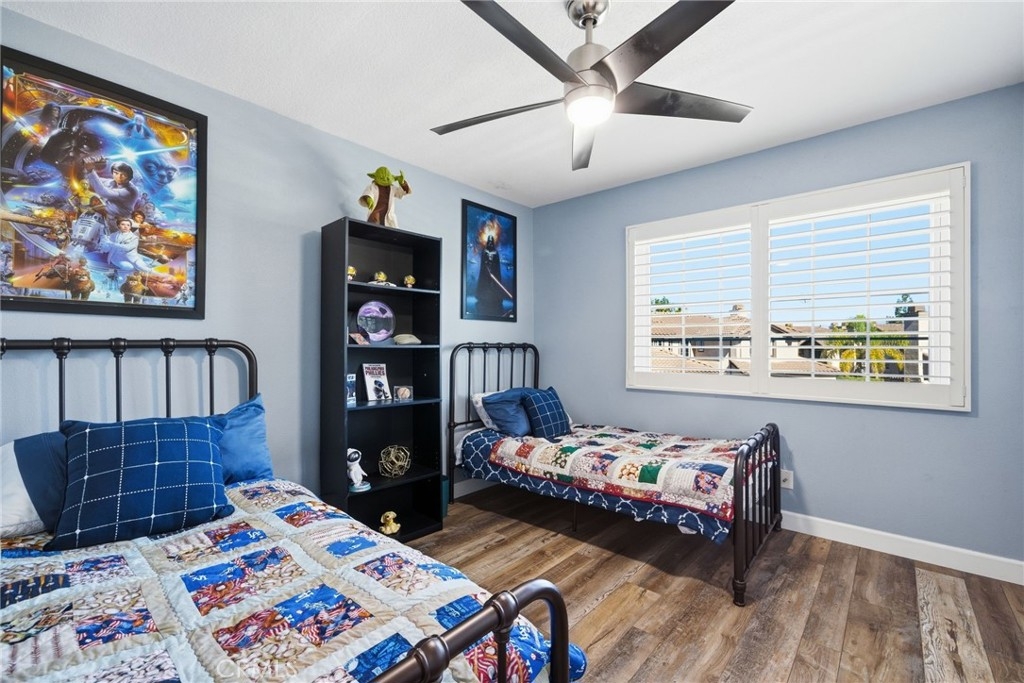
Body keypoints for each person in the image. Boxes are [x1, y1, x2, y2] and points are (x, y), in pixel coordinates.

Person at [86, 158, 140, 227]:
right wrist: (89, 165)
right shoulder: (112, 182)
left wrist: (90, 170)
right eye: (116, 173)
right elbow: (92, 180)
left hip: (119, 223)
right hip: (104, 217)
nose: (119, 177)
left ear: (129, 177)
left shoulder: (129, 191)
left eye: (123, 175)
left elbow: (103, 192)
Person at [475, 234, 507, 317]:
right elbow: (483, 262)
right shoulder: (484, 251)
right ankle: (483, 297)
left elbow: (496, 264)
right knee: (485, 284)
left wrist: (493, 269)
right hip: (485, 273)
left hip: (494, 272)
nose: (490, 243)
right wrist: (486, 268)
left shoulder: (496, 252)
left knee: (494, 284)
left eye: (491, 241)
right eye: (488, 241)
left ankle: (495, 298)